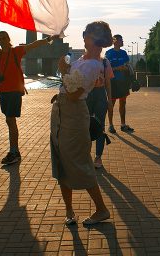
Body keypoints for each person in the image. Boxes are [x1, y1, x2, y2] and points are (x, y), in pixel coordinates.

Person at [51, 21, 112, 226]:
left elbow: (76, 93)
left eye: (86, 33)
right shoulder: (83, 59)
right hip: (62, 110)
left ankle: (101, 209)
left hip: (74, 114)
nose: (83, 35)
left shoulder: (94, 64)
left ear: (95, 39)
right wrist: (67, 69)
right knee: (61, 160)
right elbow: (70, 85)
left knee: (78, 161)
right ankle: (69, 211)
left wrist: (64, 71)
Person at [0, 15, 58, 165]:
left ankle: (14, 151)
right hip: (3, 91)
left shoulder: (16, 51)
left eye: (4, 38)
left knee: (11, 120)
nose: (2, 40)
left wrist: (48, 40)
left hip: (14, 92)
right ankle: (13, 151)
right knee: (9, 121)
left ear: (9, 39)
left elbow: (33, 44)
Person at [87, 54, 114, 169]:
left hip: (100, 94)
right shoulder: (82, 61)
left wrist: (110, 100)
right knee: (85, 125)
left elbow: (108, 82)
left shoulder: (105, 62)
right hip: (87, 94)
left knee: (100, 126)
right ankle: (86, 156)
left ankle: (98, 157)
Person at [105, 34, 134, 133]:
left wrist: (125, 68)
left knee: (123, 103)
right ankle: (111, 125)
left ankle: (123, 124)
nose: (122, 42)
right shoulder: (109, 53)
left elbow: (127, 66)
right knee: (111, 104)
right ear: (115, 41)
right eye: (121, 40)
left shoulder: (124, 53)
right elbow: (106, 69)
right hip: (113, 83)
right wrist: (117, 68)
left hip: (123, 83)